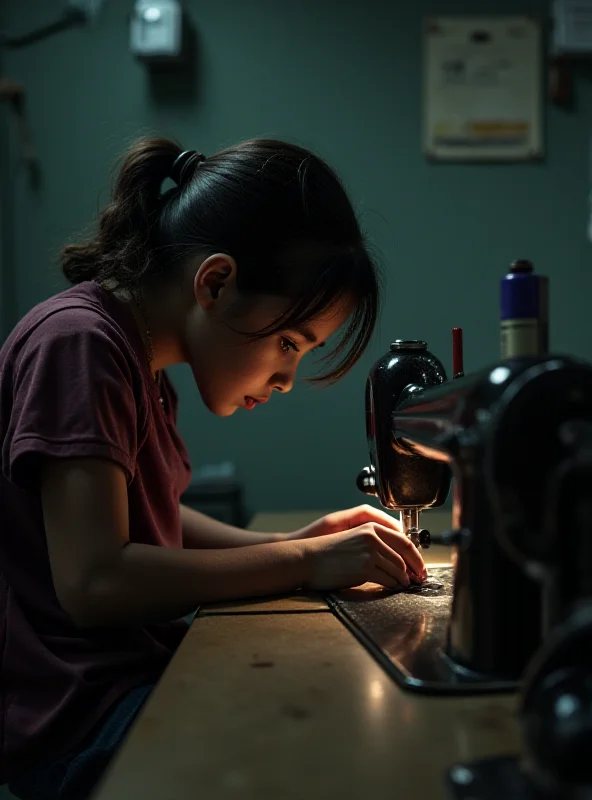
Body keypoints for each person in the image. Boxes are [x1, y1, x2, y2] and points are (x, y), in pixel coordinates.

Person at [0, 136, 427, 799]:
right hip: (77, 721)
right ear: (216, 282)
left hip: (120, 684)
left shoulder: (137, 358)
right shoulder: (79, 345)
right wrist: (304, 564)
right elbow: (96, 579)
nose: (287, 377)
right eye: (290, 342)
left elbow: (153, 520)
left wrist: (296, 543)